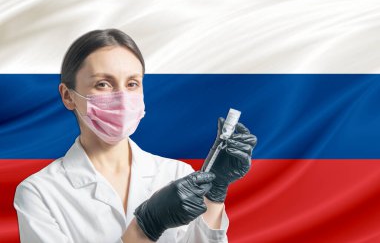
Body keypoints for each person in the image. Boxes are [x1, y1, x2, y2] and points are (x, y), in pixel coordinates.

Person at [14, 29, 257, 243]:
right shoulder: (39, 193)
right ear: (68, 96)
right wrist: (145, 227)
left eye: (132, 84)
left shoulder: (176, 174)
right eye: (103, 84)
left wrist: (214, 195)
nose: (121, 97)